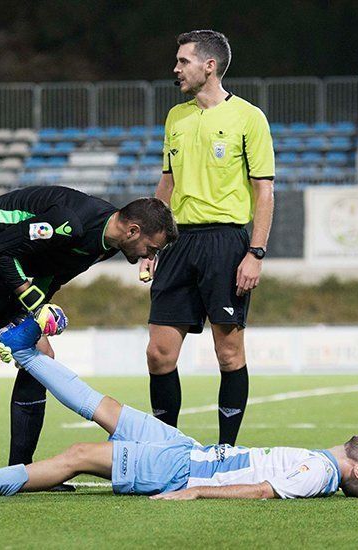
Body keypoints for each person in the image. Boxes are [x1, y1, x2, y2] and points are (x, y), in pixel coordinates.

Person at [0, 186, 178, 495]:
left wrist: (39, 314)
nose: (149, 257)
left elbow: (51, 274)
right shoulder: (71, 223)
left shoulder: (105, 245)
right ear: (132, 230)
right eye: (151, 248)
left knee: (39, 357)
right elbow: (0, 249)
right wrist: (33, 301)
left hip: (3, 266)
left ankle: (22, 475)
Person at [0, 314, 358, 500]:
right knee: (103, 406)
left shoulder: (319, 474)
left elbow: (262, 490)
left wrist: (196, 491)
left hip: (180, 470)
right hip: (187, 449)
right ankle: (23, 349)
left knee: (79, 455)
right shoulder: (319, 464)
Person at [140, 30, 276, 446]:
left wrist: (255, 253)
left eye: (183, 61)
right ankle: (167, 448)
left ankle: (225, 451)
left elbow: (264, 191)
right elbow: (166, 184)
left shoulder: (248, 117)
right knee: (158, 354)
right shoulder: (175, 117)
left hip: (225, 243)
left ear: (209, 66)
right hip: (178, 243)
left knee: (229, 353)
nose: (175, 69)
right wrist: (150, 243)